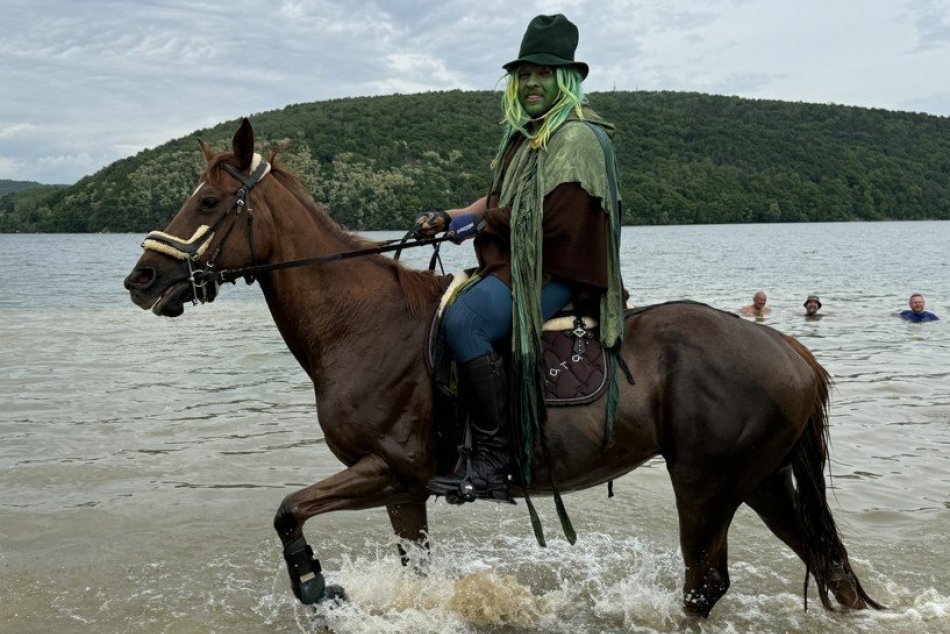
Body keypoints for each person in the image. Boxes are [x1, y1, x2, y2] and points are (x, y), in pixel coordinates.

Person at [415, 14, 625, 503]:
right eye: (524, 73)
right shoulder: (525, 137)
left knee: (465, 318)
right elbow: (497, 202)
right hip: (524, 262)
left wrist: (482, 224)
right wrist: (451, 217)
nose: (531, 82)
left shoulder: (577, 139)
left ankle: (493, 458)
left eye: (544, 72)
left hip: (559, 269)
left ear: (566, 78)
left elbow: (554, 225)